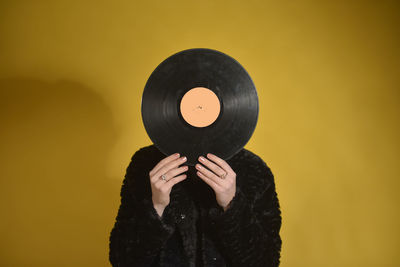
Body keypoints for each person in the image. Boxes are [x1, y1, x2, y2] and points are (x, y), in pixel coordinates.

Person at [109, 144, 282, 267]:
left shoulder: (253, 168)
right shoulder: (145, 164)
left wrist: (232, 205)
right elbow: (121, 260)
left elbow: (267, 261)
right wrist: (157, 206)